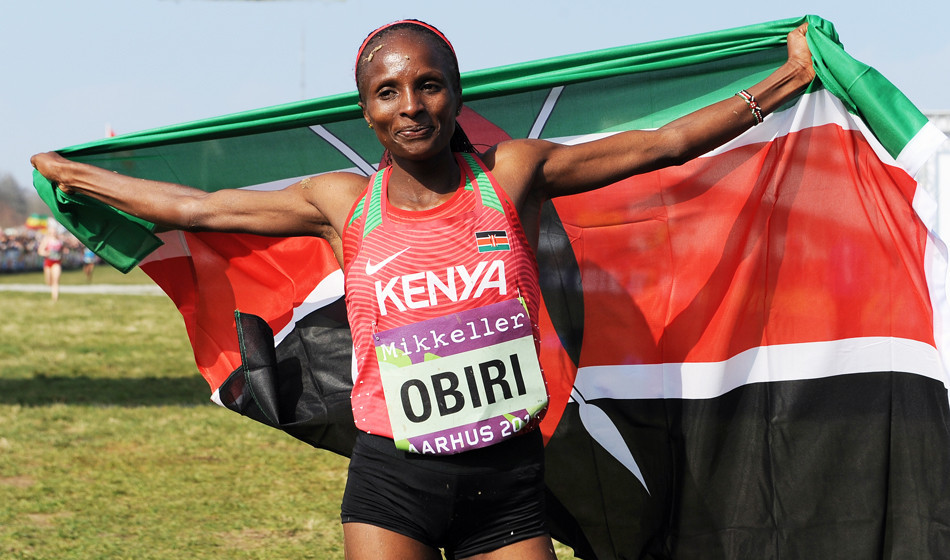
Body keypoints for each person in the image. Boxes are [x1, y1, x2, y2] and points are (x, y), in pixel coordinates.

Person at [31, 19, 814, 560]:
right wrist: (73, 175)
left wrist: (787, 79)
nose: (411, 106)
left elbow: (663, 144)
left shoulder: (510, 174)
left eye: (429, 85)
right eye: (389, 91)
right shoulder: (343, 205)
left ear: (456, 94)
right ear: (366, 111)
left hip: (507, 482)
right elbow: (197, 209)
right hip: (393, 484)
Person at [36, 227, 64, 302]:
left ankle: (55, 299)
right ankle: (51, 287)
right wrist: (47, 253)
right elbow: (40, 251)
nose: (53, 233)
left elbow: (62, 251)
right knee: (49, 281)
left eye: (54, 232)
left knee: (56, 281)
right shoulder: (46, 240)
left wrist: (61, 256)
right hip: (48, 262)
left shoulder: (59, 241)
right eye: (52, 232)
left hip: (56, 262)